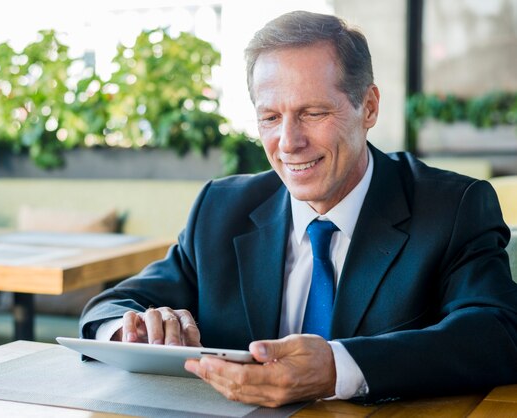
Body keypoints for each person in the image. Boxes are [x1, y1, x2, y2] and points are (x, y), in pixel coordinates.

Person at [80, 10, 517, 406]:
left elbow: (496, 334)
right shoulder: (221, 208)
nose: (289, 143)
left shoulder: (454, 206)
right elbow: (110, 308)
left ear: (368, 107)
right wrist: (133, 330)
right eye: (270, 117)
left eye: (312, 113)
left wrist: (336, 367)